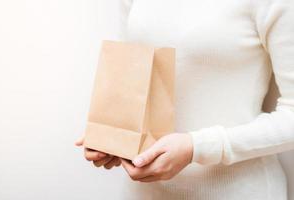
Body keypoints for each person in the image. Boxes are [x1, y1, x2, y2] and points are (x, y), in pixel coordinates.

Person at [76, 0, 294, 199]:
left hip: (237, 191)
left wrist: (196, 147)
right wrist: (111, 135)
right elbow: (133, 73)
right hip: (144, 192)